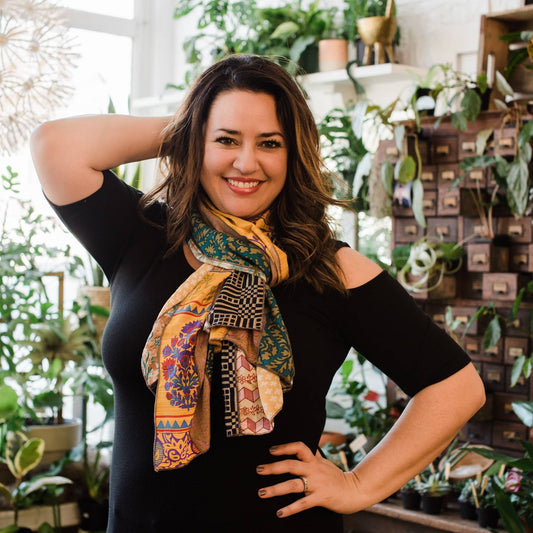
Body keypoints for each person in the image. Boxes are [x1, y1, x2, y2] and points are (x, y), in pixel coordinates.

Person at [30, 54, 485, 533]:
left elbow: (455, 387)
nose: (246, 162)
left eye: (270, 143)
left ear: (294, 154)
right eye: (226, 140)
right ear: (195, 142)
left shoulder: (330, 269)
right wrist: (196, 122)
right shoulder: (142, 237)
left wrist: (358, 485)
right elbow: (55, 145)